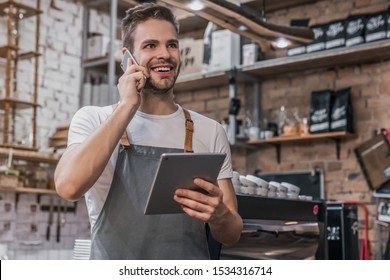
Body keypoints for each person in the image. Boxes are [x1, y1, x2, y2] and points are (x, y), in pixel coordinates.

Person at [54, 3, 243, 260]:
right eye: (150, 45)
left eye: (172, 45)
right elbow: (68, 186)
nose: (165, 54)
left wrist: (220, 215)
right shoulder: (93, 119)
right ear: (127, 58)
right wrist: (127, 106)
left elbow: (232, 234)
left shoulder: (210, 131)